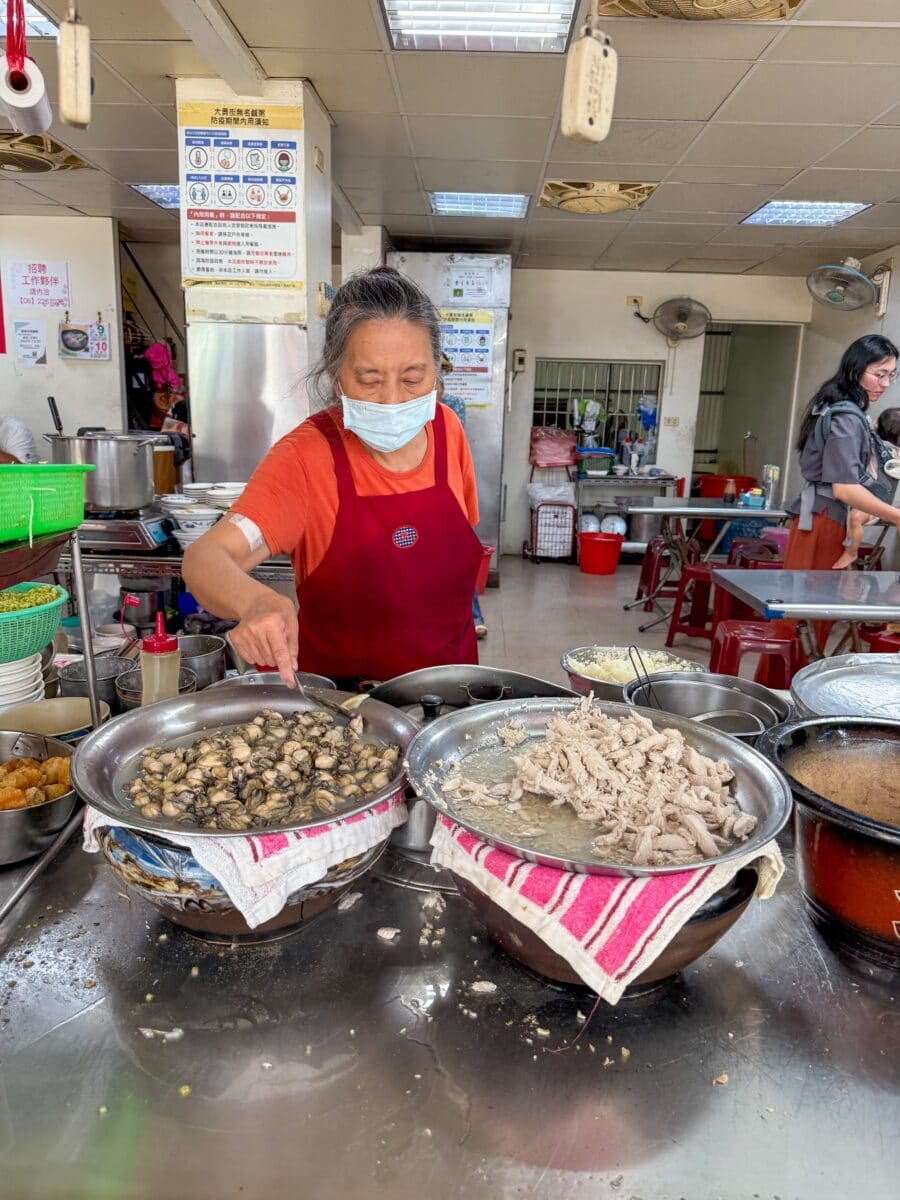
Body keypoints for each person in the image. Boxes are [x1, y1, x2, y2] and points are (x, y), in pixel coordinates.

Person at [182, 266, 482, 688]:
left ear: (437, 371)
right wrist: (255, 602)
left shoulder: (448, 430)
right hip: (344, 712)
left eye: (413, 378)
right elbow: (205, 558)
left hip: (452, 695)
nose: (393, 399)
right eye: (369, 379)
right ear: (335, 377)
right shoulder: (305, 457)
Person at [785, 335, 900, 647]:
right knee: (804, 621)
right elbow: (846, 489)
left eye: (892, 374)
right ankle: (786, 690)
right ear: (855, 369)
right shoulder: (848, 417)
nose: (886, 383)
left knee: (807, 617)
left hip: (823, 518)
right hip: (823, 521)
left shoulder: (838, 406)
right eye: (880, 374)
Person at [437, 353, 488, 639]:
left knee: (459, 560)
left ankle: (474, 616)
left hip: (450, 487)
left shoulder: (452, 409)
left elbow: (458, 448)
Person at [832, 406, 900, 569]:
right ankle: (851, 552)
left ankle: (851, 552)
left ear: (878, 426)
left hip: (874, 502)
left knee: (855, 518)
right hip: (864, 497)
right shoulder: (874, 444)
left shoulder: (880, 447)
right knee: (854, 518)